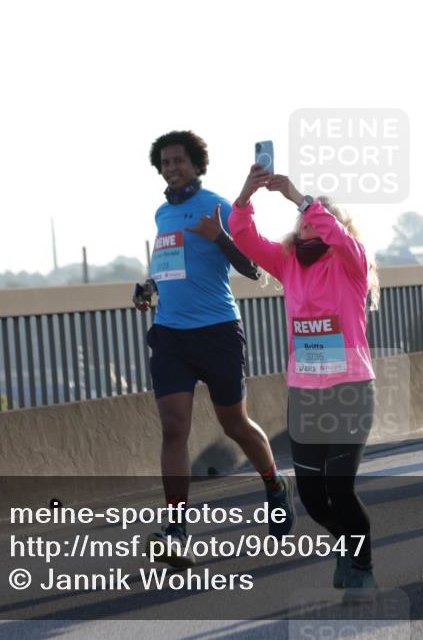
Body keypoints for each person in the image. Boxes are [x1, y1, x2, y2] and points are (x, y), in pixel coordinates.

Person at [139, 131, 294, 566]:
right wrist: (148, 286)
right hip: (170, 334)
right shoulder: (160, 214)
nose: (172, 168)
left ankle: (274, 484)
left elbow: (254, 269)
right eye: (166, 162)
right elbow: (169, 266)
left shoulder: (218, 205)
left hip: (217, 331)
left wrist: (220, 236)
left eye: (179, 161)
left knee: (234, 423)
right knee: (174, 427)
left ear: (196, 165)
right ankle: (176, 529)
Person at [229, 165, 380, 599]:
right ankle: (345, 545)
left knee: (341, 489)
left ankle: (363, 563)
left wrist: (301, 197)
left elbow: (339, 235)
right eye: (305, 220)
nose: (311, 222)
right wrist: (244, 198)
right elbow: (244, 238)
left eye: (320, 218)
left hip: (350, 390)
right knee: (314, 499)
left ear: (336, 226)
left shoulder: (351, 261)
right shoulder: (288, 262)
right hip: (305, 395)